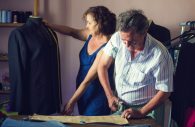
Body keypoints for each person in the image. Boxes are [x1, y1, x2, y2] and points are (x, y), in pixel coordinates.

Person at [98, 9, 173, 126]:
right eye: (124, 41)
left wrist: (141, 112)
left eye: (132, 42)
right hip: (121, 106)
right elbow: (102, 66)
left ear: (144, 33)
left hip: (149, 110)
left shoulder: (159, 54)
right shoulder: (117, 38)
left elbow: (165, 90)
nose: (127, 46)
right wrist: (110, 96)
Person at [47, 6, 116, 116]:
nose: (86, 26)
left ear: (99, 23)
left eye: (89, 23)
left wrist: (71, 102)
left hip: (97, 94)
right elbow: (71, 31)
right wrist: (49, 25)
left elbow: (88, 80)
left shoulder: (107, 48)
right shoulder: (90, 35)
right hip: (82, 91)